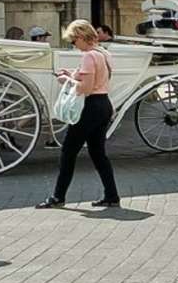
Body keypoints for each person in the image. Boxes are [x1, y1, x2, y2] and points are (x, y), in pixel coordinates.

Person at [35, 20, 120, 210]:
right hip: (104, 104)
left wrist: (66, 80)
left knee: (68, 151)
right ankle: (112, 195)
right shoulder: (103, 53)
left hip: (90, 107)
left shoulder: (89, 56)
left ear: (81, 37)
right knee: (98, 153)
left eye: (74, 41)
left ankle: (58, 196)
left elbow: (86, 88)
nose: (74, 45)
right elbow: (95, 77)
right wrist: (73, 74)